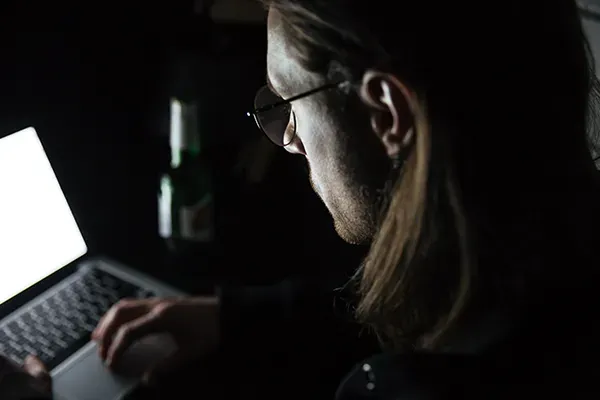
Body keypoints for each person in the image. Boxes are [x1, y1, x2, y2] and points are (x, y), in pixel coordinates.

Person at [4, 0, 600, 398]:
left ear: (387, 114)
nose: (288, 139)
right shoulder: (553, 249)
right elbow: (399, 312)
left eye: (291, 101)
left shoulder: (414, 387)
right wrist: (235, 315)